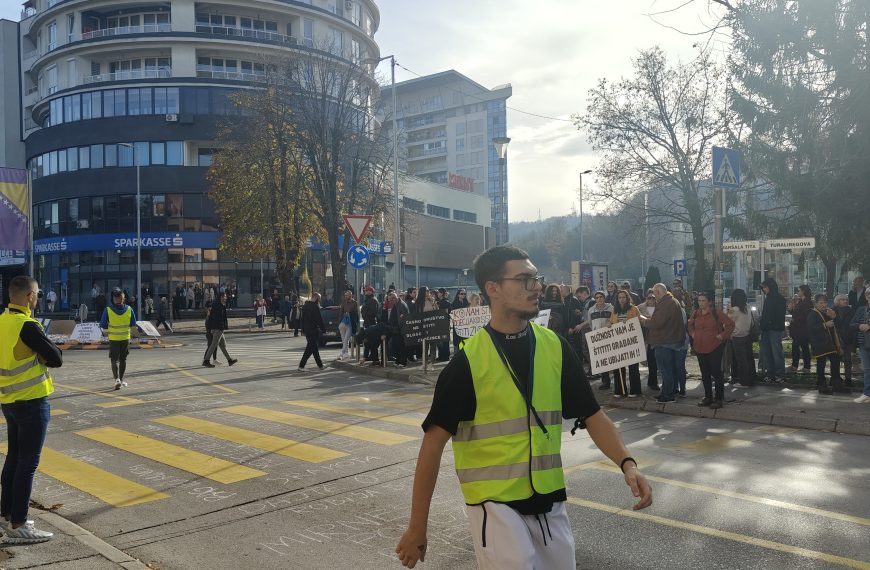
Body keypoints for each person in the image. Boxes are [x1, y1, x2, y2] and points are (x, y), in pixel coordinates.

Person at [394, 246, 652, 569]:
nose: (536, 287)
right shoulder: (467, 364)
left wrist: (628, 464)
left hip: (549, 506)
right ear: (493, 288)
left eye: (536, 278)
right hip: (496, 508)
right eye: (525, 279)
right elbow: (432, 445)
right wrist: (418, 526)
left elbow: (593, 414)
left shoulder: (554, 347)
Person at [0, 275, 62, 544]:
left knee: (14, 458)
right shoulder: (28, 325)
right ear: (29, 297)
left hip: (8, 402)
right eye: (36, 293)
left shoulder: (1, 321)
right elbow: (57, 358)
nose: (37, 297)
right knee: (27, 463)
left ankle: (6, 515)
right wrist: (43, 355)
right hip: (32, 402)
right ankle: (19, 524)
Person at [638, 283, 686, 403]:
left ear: (658, 292)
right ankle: (668, 392)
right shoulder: (671, 301)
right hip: (670, 340)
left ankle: (668, 395)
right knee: (669, 369)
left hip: (664, 341)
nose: (654, 296)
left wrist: (642, 319)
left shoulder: (666, 303)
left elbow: (656, 322)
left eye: (654, 294)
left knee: (666, 370)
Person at [688, 292, 735, 409]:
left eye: (703, 301)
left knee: (716, 373)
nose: (701, 303)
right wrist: (693, 334)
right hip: (699, 347)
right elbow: (690, 324)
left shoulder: (716, 312)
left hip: (714, 347)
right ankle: (708, 396)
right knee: (705, 374)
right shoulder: (696, 313)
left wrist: (722, 335)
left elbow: (730, 324)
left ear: (709, 302)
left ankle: (718, 398)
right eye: (699, 301)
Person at [99, 289, 137, 390]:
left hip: (113, 339)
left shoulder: (108, 310)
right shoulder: (129, 309)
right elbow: (133, 325)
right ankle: (121, 379)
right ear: (123, 298)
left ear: (113, 298)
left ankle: (117, 380)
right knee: (123, 359)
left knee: (114, 360)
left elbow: (102, 325)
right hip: (125, 339)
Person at [806, 293, 843, 395]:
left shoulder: (828, 312)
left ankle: (836, 383)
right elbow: (810, 329)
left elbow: (839, 324)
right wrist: (824, 325)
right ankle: (822, 386)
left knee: (835, 361)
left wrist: (835, 317)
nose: (824, 305)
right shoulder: (812, 314)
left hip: (830, 343)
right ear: (816, 304)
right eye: (821, 303)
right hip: (820, 344)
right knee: (821, 364)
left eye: (825, 302)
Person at [609, 290, 643, 397]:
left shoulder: (634, 308)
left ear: (627, 298)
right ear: (617, 299)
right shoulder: (614, 310)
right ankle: (620, 391)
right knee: (618, 367)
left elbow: (638, 323)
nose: (621, 299)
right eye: (619, 297)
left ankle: (635, 390)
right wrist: (610, 325)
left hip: (631, 341)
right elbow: (611, 322)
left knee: (633, 367)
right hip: (618, 342)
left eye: (623, 297)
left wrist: (627, 324)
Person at [578, 291, 614, 390]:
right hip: (597, 338)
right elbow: (590, 323)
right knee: (602, 360)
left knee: (611, 359)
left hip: (609, 337)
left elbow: (613, 320)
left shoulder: (611, 308)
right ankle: (605, 382)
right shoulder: (591, 310)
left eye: (601, 297)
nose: (599, 299)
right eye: (597, 297)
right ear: (595, 299)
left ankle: (616, 381)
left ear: (604, 297)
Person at [759, 278, 787, 383]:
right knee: (767, 353)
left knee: (776, 352)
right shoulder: (767, 299)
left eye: (765, 287)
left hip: (775, 330)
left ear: (771, 287)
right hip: (765, 330)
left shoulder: (780, 299)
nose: (764, 289)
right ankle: (770, 374)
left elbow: (780, 316)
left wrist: (771, 324)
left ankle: (780, 375)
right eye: (763, 288)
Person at [728, 289, 756, 387]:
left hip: (737, 337)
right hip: (747, 336)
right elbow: (752, 322)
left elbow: (727, 323)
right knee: (749, 359)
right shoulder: (748, 307)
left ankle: (744, 382)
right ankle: (751, 379)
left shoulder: (734, 310)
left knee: (741, 361)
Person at [202, 292, 238, 368]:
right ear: (221, 297)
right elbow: (218, 319)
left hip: (218, 328)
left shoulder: (218, 305)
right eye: (224, 296)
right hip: (217, 328)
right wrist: (219, 327)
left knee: (222, 345)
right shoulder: (218, 306)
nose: (226, 298)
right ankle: (206, 360)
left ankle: (229, 360)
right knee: (213, 345)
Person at [848, 288, 870, 403]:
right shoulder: (861, 309)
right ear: (866, 296)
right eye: (869, 295)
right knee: (867, 370)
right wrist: (860, 326)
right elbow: (851, 324)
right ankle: (867, 393)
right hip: (863, 344)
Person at [298, 292, 326, 371]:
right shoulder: (315, 307)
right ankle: (301, 366)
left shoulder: (305, 306)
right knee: (310, 348)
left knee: (314, 348)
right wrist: (323, 329)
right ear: (316, 298)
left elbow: (302, 319)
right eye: (319, 299)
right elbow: (319, 320)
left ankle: (320, 365)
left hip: (307, 330)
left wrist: (302, 330)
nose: (319, 301)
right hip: (313, 330)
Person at [637, 290, 659, 390]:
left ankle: (653, 382)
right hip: (646, 337)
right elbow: (638, 320)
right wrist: (647, 321)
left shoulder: (660, 307)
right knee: (650, 361)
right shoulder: (640, 308)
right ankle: (652, 382)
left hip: (658, 337)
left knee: (656, 361)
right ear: (646, 298)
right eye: (649, 297)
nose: (651, 299)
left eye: (653, 297)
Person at [832, 294, 856, 387]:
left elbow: (850, 325)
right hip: (836, 338)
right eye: (842, 299)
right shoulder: (832, 310)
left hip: (848, 338)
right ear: (837, 301)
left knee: (848, 360)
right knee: (835, 360)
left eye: (846, 299)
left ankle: (848, 379)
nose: (845, 301)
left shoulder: (851, 311)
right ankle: (835, 378)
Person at [789, 285, 813, 373]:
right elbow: (796, 313)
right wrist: (791, 310)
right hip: (798, 328)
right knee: (802, 347)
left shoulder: (807, 302)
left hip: (802, 329)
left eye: (799, 290)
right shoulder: (801, 301)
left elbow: (805, 315)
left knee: (799, 347)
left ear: (803, 291)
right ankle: (804, 366)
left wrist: (794, 319)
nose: (798, 292)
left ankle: (798, 366)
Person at [386, 291, 409, 367]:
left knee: (402, 346)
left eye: (390, 300)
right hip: (395, 329)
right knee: (397, 346)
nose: (390, 302)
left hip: (400, 330)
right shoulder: (396, 304)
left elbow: (404, 318)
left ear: (394, 299)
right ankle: (398, 360)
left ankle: (403, 362)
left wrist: (400, 328)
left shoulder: (401, 305)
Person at [338, 290, 359, 360]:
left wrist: (349, 314)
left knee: (346, 339)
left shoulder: (354, 303)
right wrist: (340, 321)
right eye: (345, 295)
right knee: (343, 339)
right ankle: (345, 353)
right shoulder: (343, 302)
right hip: (343, 322)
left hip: (350, 323)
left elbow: (356, 314)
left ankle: (343, 352)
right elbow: (340, 313)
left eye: (347, 295)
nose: (346, 296)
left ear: (350, 295)